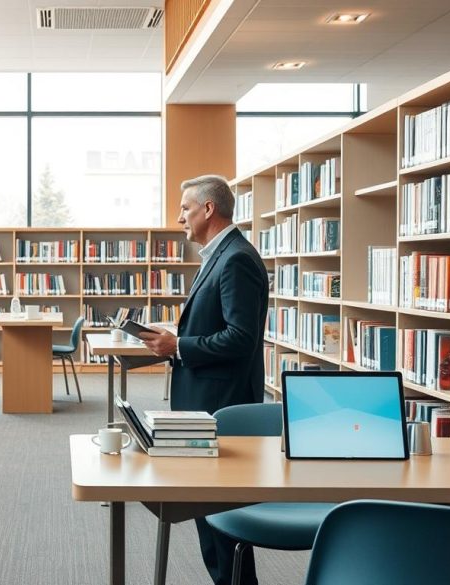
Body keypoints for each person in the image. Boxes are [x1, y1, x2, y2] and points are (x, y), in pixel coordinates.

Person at [138, 174, 269, 585]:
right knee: (212, 526)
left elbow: (241, 339)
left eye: (185, 209)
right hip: (207, 401)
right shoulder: (219, 255)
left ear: (208, 209)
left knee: (222, 528)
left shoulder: (236, 259)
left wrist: (178, 346)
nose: (179, 218)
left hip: (222, 408)